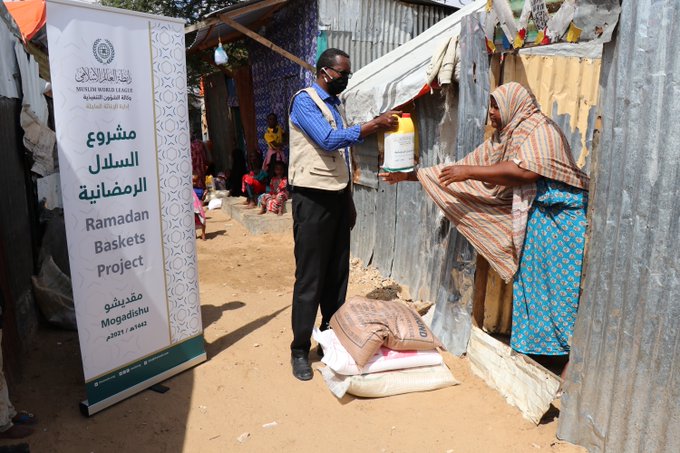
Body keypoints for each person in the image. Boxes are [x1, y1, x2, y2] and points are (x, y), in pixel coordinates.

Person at [380, 82, 589, 376]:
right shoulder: (506, 138)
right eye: (491, 106)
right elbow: (462, 170)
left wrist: (468, 172)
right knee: (533, 289)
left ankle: (573, 361)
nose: (490, 113)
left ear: (512, 106)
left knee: (561, 290)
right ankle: (540, 356)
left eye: (495, 107)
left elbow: (526, 171)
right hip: (538, 221)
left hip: (563, 224)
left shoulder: (541, 130)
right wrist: (410, 176)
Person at [288, 48, 400, 381]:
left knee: (337, 275)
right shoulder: (305, 101)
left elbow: (342, 160)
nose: (345, 79)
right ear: (324, 72)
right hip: (311, 199)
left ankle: (330, 337)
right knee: (311, 276)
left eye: (348, 74)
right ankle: (299, 349)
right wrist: (371, 126)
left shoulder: (336, 105)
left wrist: (349, 199)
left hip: (336, 198)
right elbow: (327, 140)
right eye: (342, 74)